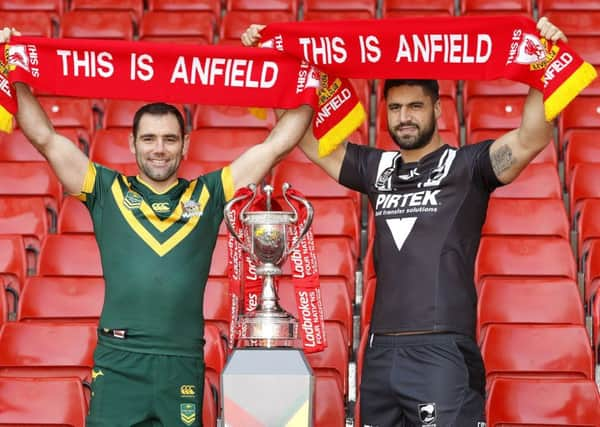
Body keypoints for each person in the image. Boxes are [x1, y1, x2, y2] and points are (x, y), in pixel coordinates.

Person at [242, 17, 567, 426]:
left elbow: (530, 137)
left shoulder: (467, 166)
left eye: (414, 106)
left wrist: (542, 65)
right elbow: (310, 143)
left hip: (443, 353)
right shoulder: (376, 167)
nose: (404, 117)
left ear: (437, 107)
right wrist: (274, 68)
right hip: (380, 355)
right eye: (395, 108)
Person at [0, 27, 314, 426]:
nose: (159, 148)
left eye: (169, 139)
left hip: (181, 361)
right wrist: (14, 69)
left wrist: (305, 79)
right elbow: (45, 137)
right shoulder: (104, 189)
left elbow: (275, 147)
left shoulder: (209, 193)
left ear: (185, 144)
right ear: (132, 144)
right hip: (118, 361)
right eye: (149, 139)